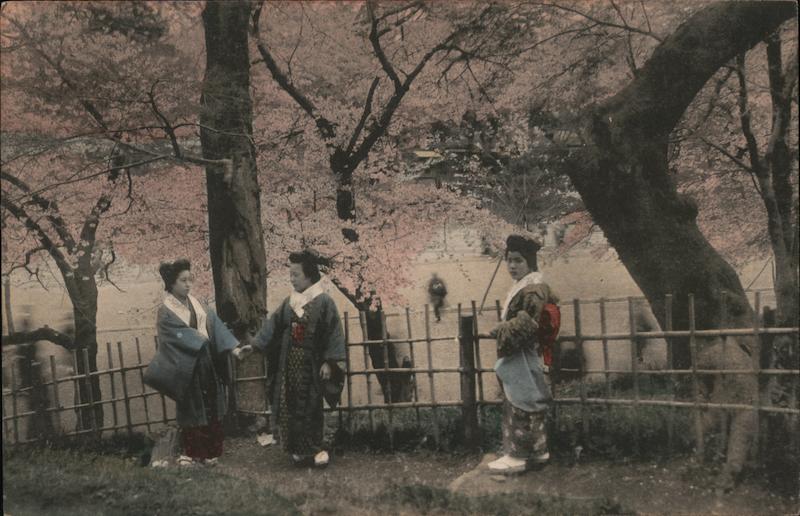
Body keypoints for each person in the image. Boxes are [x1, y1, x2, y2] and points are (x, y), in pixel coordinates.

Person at [243, 250, 346, 467]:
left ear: (309, 275)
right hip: (289, 364)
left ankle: (316, 449)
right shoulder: (289, 302)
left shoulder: (324, 301)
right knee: (289, 404)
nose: (292, 279)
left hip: (312, 364)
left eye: (296, 275)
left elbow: (333, 333)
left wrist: (329, 362)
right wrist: (254, 345)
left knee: (312, 405)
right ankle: (297, 449)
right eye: (290, 274)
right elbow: (272, 327)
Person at [144, 258, 248, 466]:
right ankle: (193, 453)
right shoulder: (166, 311)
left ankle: (211, 453)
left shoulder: (198, 304)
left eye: (189, 280)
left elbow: (216, 327)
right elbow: (171, 337)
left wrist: (234, 349)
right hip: (187, 367)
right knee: (192, 409)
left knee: (211, 406)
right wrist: (200, 339)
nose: (188, 284)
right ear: (171, 283)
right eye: (183, 281)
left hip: (207, 364)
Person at [488, 235, 559, 475]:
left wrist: (500, 329)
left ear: (530, 261)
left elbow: (528, 323)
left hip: (524, 351)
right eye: (509, 260)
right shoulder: (526, 285)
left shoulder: (533, 288)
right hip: (523, 351)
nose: (512, 266)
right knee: (525, 398)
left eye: (518, 260)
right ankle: (538, 451)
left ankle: (517, 456)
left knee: (521, 400)